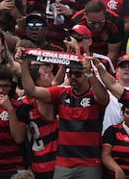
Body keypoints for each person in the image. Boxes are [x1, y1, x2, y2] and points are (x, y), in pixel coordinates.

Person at [17, 51, 110, 179]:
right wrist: (23, 65)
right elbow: (31, 90)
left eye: (78, 74)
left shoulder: (94, 95)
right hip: (64, 164)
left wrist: (90, 73)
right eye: (70, 74)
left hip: (89, 163)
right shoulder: (62, 93)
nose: (73, 77)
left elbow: (103, 98)